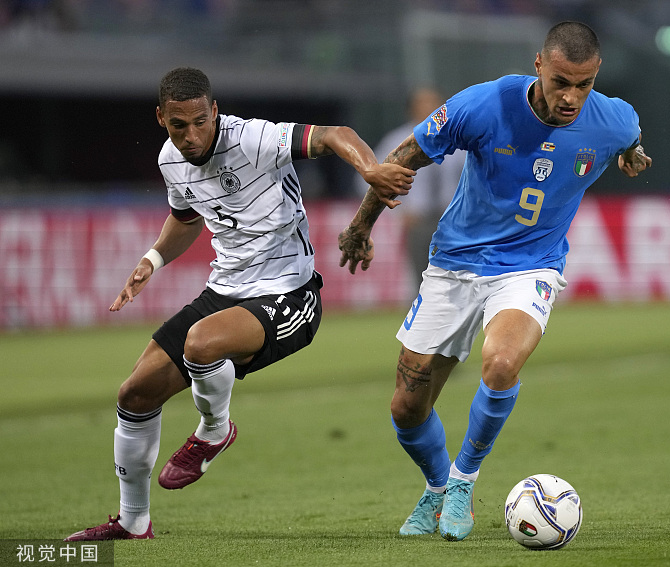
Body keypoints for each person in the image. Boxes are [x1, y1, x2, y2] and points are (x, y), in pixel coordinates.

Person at [65, 67, 414, 541]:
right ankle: (133, 522)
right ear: (161, 119)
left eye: (200, 122)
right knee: (135, 394)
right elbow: (186, 218)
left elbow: (336, 134)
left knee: (201, 344)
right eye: (178, 125)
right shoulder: (171, 159)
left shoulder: (253, 139)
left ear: (214, 111)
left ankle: (214, 430)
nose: (191, 136)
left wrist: (369, 169)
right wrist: (152, 259)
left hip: (289, 294)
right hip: (225, 290)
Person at [338, 21, 652, 542]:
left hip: (531, 264)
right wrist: (359, 227)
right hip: (455, 262)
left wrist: (630, 152)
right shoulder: (483, 106)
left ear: (596, 75)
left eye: (584, 85)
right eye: (561, 82)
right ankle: (437, 487)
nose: (571, 97)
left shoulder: (614, 119)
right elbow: (403, 159)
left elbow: (630, 136)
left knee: (502, 363)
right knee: (406, 406)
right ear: (539, 65)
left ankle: (463, 481)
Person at [368, 87, 466, 286]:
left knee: (458, 276)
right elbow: (370, 178)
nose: (430, 108)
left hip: (453, 218)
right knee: (422, 276)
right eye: (423, 104)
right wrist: (398, 210)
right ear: (411, 109)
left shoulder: (457, 139)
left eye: (435, 103)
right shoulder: (397, 141)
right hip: (418, 220)